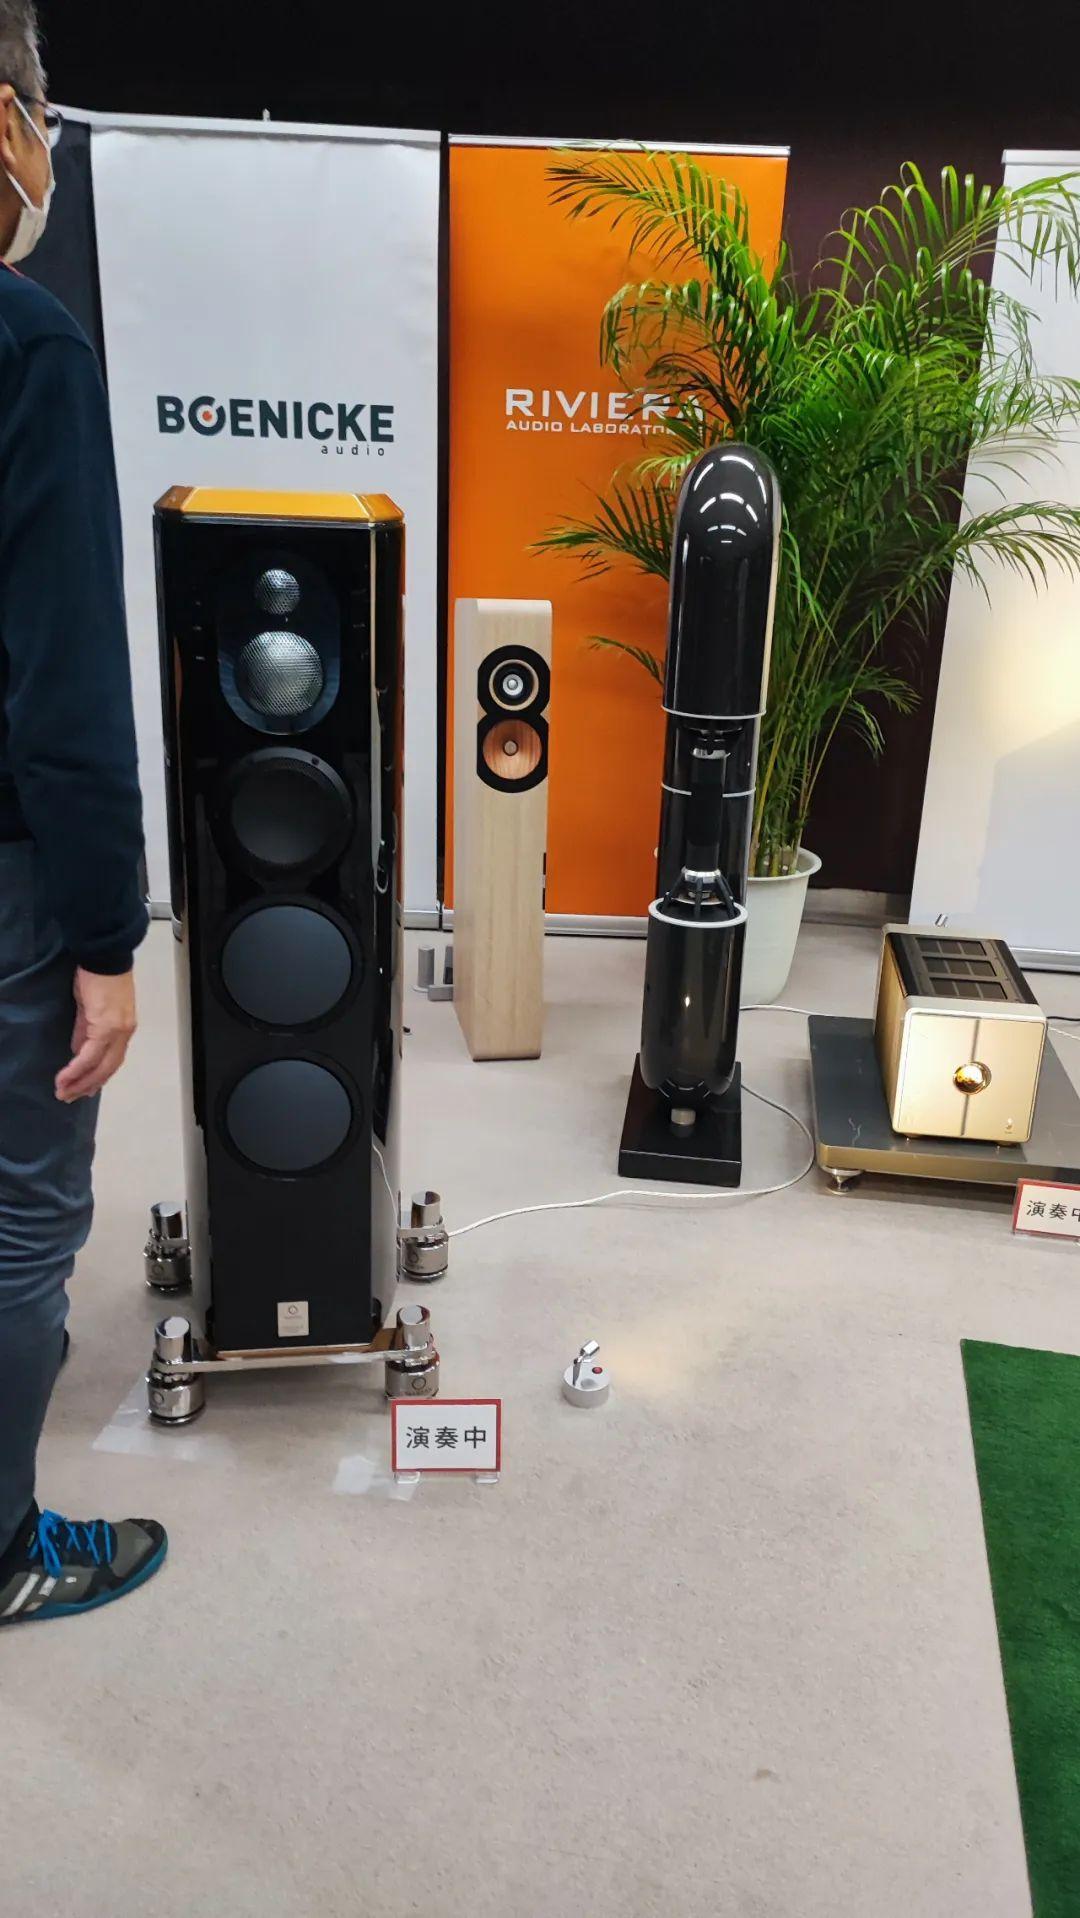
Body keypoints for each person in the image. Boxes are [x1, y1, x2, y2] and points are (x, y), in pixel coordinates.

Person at [0, 2, 166, 1623]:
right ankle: (1, 1552)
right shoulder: (27, 347)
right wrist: (106, 940)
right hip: (10, 884)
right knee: (23, 1216)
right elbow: (64, 688)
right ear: (9, 124)